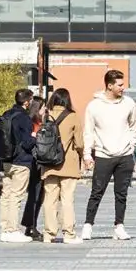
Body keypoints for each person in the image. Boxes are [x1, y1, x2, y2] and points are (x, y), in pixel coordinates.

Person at [81, 69, 136, 241]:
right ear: (109, 85)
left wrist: (133, 143)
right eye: (120, 85)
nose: (124, 88)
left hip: (125, 155)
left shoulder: (128, 103)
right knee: (96, 192)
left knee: (121, 194)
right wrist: (87, 154)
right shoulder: (94, 106)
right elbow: (88, 132)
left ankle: (119, 226)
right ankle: (88, 225)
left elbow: (134, 125)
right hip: (103, 155)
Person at [40, 88, 84, 244]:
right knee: (67, 200)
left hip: (49, 164)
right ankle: (69, 234)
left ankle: (48, 234)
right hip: (68, 165)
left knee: (49, 200)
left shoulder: (46, 116)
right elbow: (79, 143)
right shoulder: (73, 117)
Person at [0, 88, 39, 242]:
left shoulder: (6, 115)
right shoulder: (24, 118)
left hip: (6, 160)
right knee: (17, 195)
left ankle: (4, 228)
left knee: (6, 195)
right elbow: (27, 143)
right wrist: (35, 137)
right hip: (21, 161)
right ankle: (13, 229)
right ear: (27, 102)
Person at [20, 96, 46, 240]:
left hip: (38, 163)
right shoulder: (33, 124)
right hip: (34, 163)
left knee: (37, 196)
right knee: (35, 196)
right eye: (43, 107)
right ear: (37, 109)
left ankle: (30, 225)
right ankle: (31, 226)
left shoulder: (39, 123)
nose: (45, 109)